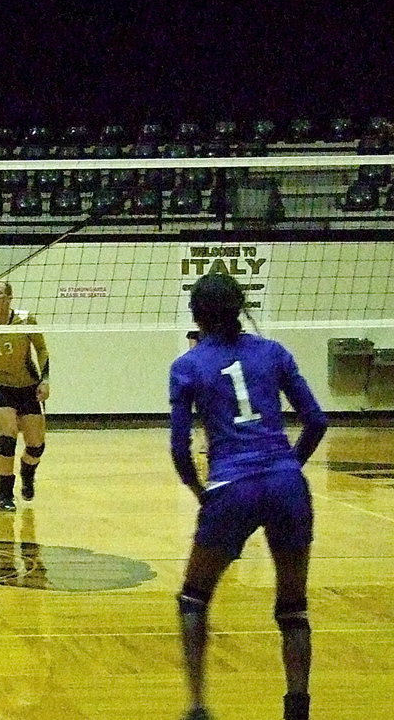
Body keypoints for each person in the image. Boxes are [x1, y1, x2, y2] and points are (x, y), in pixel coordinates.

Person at [170, 273, 327, 720]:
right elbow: (316, 420)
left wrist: (200, 491)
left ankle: (198, 708)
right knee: (293, 606)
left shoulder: (188, 365)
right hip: (285, 484)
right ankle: (298, 709)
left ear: (197, 315)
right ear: (239, 309)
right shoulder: (273, 352)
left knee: (194, 597)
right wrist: (289, 467)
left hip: (231, 486)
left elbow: (180, 449)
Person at [0, 281, 50, 512]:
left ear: (9, 298)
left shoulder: (26, 320)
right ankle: (4, 493)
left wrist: (45, 380)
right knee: (8, 435)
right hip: (0, 386)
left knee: (36, 446)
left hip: (28, 387)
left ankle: (27, 471)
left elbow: (42, 350)